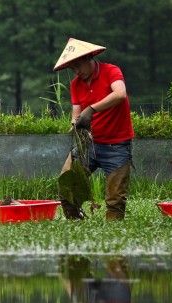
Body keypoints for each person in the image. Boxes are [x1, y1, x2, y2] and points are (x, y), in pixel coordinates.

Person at [53, 38, 134, 221]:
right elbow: (76, 113)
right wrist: (75, 123)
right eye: (72, 69)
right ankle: (76, 224)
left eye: (78, 66)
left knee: (115, 200)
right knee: (66, 186)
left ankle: (112, 236)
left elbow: (120, 94)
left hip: (117, 146)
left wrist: (92, 109)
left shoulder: (111, 71)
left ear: (89, 57)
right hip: (88, 145)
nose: (77, 71)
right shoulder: (76, 84)